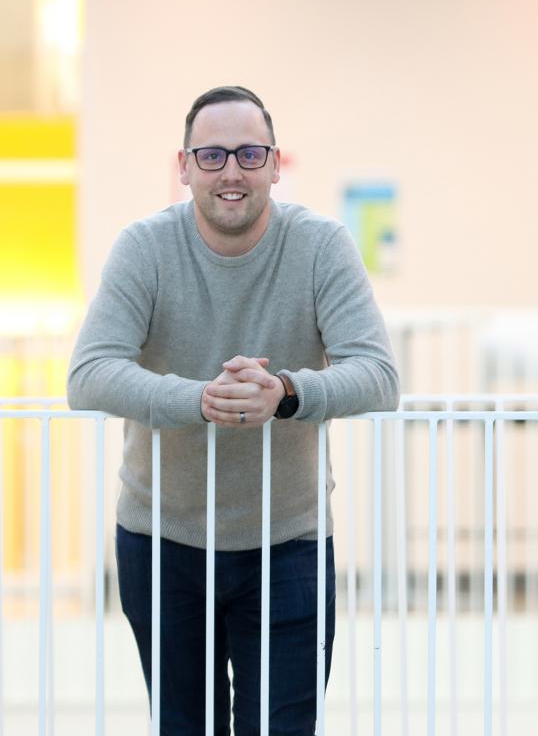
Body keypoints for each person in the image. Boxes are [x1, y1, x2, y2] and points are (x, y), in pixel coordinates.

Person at [68, 85, 399, 735]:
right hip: (162, 539)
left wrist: (288, 394)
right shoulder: (145, 249)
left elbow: (378, 375)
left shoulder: (320, 247)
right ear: (184, 166)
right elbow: (88, 374)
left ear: (277, 164)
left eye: (249, 154)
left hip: (290, 542)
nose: (231, 171)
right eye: (212, 155)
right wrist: (199, 399)